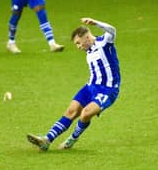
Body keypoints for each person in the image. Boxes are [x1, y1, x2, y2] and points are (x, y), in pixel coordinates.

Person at [27, 17, 121, 151]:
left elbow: (113, 31)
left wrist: (96, 23)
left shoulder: (104, 42)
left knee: (85, 114)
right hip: (90, 87)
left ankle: (72, 139)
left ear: (87, 37)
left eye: (78, 43)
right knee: (71, 111)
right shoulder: (89, 53)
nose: (78, 47)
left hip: (108, 89)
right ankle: (47, 140)